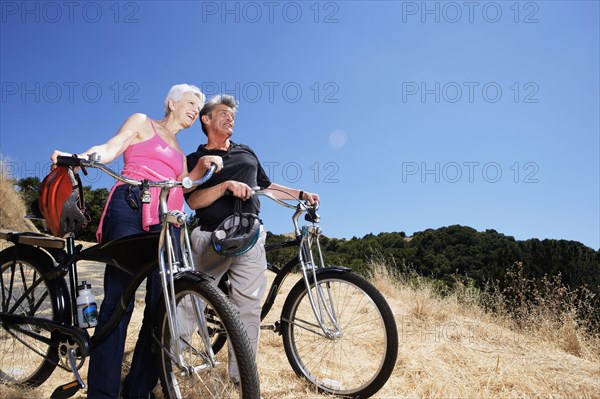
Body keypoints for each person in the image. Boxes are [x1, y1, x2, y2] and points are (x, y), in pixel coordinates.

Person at [50, 84, 223, 399]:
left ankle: (138, 390)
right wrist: (85, 157)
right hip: (130, 204)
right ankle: (102, 392)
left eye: (199, 107)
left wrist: (202, 166)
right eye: (190, 102)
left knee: (162, 308)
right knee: (118, 301)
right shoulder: (144, 123)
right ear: (171, 101)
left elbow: (183, 186)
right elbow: (112, 146)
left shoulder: (181, 153)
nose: (195, 109)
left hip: (167, 221)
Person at [185, 94, 320, 383]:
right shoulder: (195, 159)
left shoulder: (246, 151)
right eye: (223, 113)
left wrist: (300, 194)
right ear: (206, 119)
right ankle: (175, 365)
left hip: (250, 236)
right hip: (210, 236)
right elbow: (193, 201)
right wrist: (225, 187)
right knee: (188, 301)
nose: (230, 117)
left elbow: (267, 186)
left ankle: (241, 377)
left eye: (232, 115)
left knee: (248, 306)